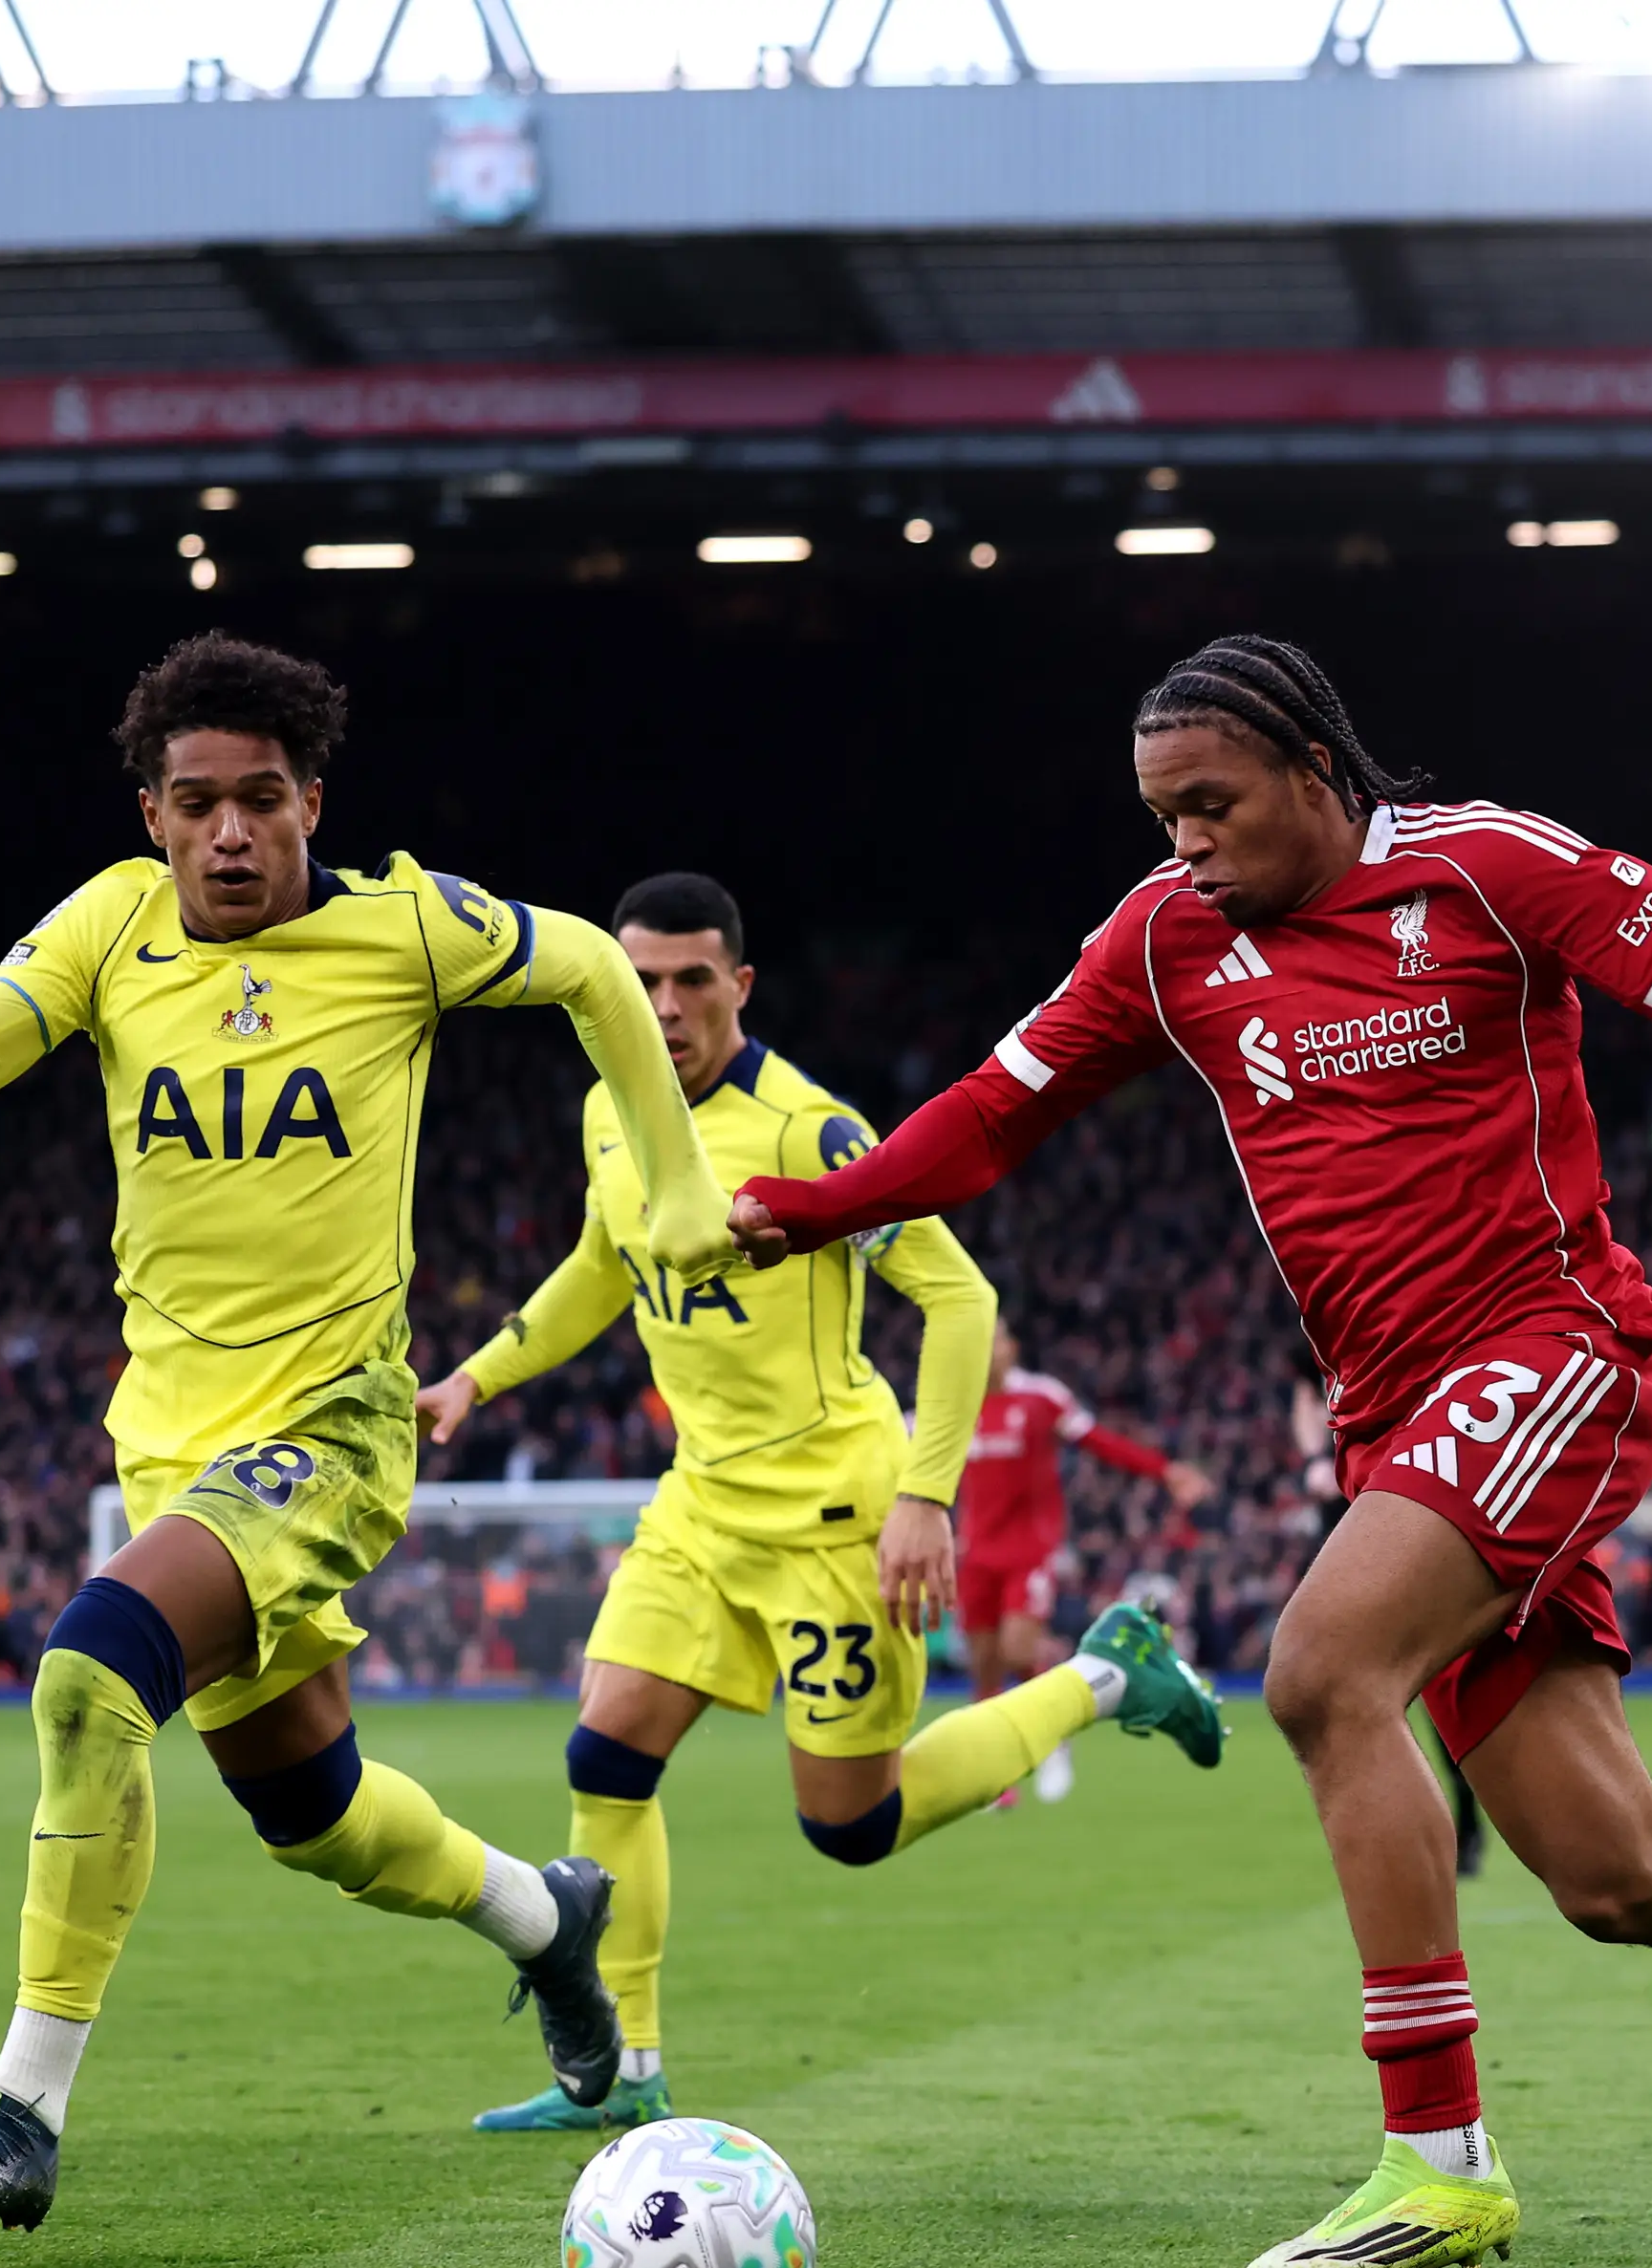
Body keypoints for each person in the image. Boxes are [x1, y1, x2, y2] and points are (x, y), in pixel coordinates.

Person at [730, 634, 1652, 2268]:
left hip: (1554, 1351)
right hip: (1396, 1420)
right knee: (1611, 1872)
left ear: (1319, 772)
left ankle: (1442, 2157)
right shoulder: (1166, 936)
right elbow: (996, 1108)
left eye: (1213, 804)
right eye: (1161, 813)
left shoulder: (1483, 866)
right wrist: (816, 1206)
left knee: (1324, 1665)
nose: (1184, 842)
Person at [0, 633, 720, 2230]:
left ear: (312, 800)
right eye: (196, 805)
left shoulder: (405, 928)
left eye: (260, 799)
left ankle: (18, 2108)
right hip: (172, 1443)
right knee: (311, 1812)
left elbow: (594, 958)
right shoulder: (109, 924)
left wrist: (677, 1185)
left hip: (333, 1426)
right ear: (154, 816)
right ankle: (545, 1915)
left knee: (88, 1671)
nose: (229, 832)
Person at [421, 874, 1224, 2134]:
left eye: (693, 980)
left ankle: (1109, 1676)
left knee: (853, 1825)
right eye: (639, 983)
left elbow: (959, 1299)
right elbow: (599, 1264)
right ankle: (621, 2067)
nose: (666, 1006)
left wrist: (926, 1494)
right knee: (605, 1751)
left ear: (740, 984)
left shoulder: (810, 1131)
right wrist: (479, 1371)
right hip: (701, 1503)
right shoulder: (607, 1113)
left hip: (834, 1516)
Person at [956, 1325, 1215, 1806]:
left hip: (1028, 1552)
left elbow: (1099, 1441)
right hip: (974, 1553)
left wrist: (1165, 1472)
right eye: (982, 1338)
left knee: (1017, 1650)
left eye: (999, 1338)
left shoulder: (1042, 1398)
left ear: (1013, 1347)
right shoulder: (952, 1405)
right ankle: (997, 1777)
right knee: (984, 1668)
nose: (991, 1348)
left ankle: (1053, 1736)